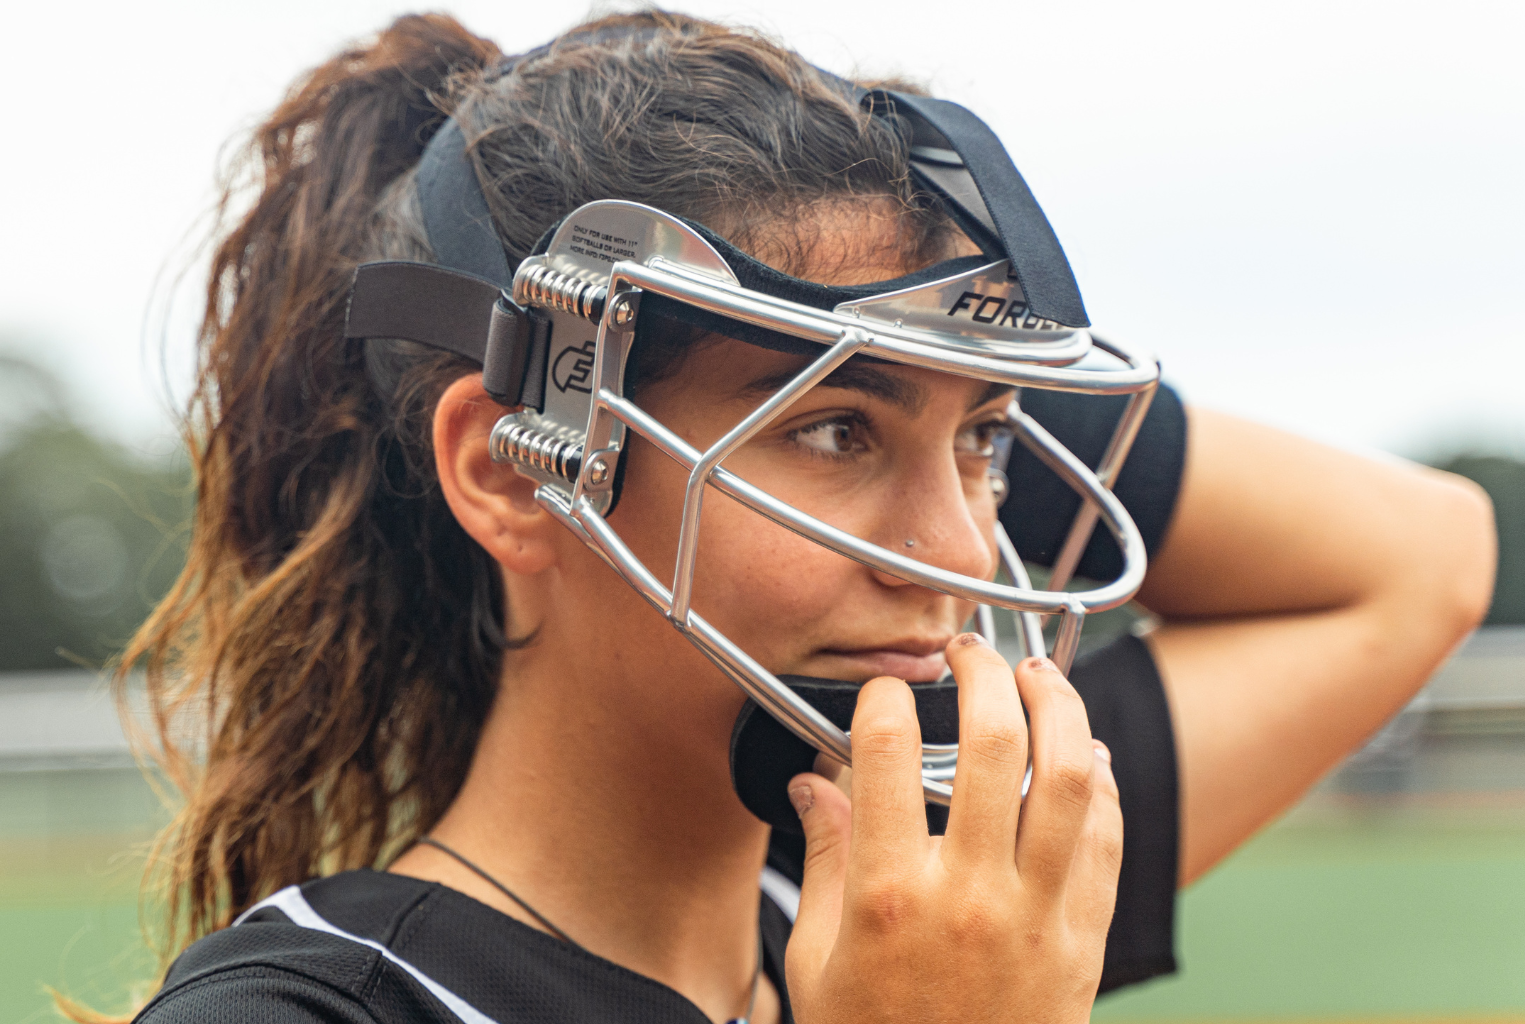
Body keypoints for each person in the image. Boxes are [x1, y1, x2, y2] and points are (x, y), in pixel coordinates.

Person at [81, 12, 1496, 1024]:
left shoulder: (913, 892)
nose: (952, 553)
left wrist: (945, 376)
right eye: (830, 431)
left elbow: (1423, 558)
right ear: (518, 471)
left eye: (986, 448)